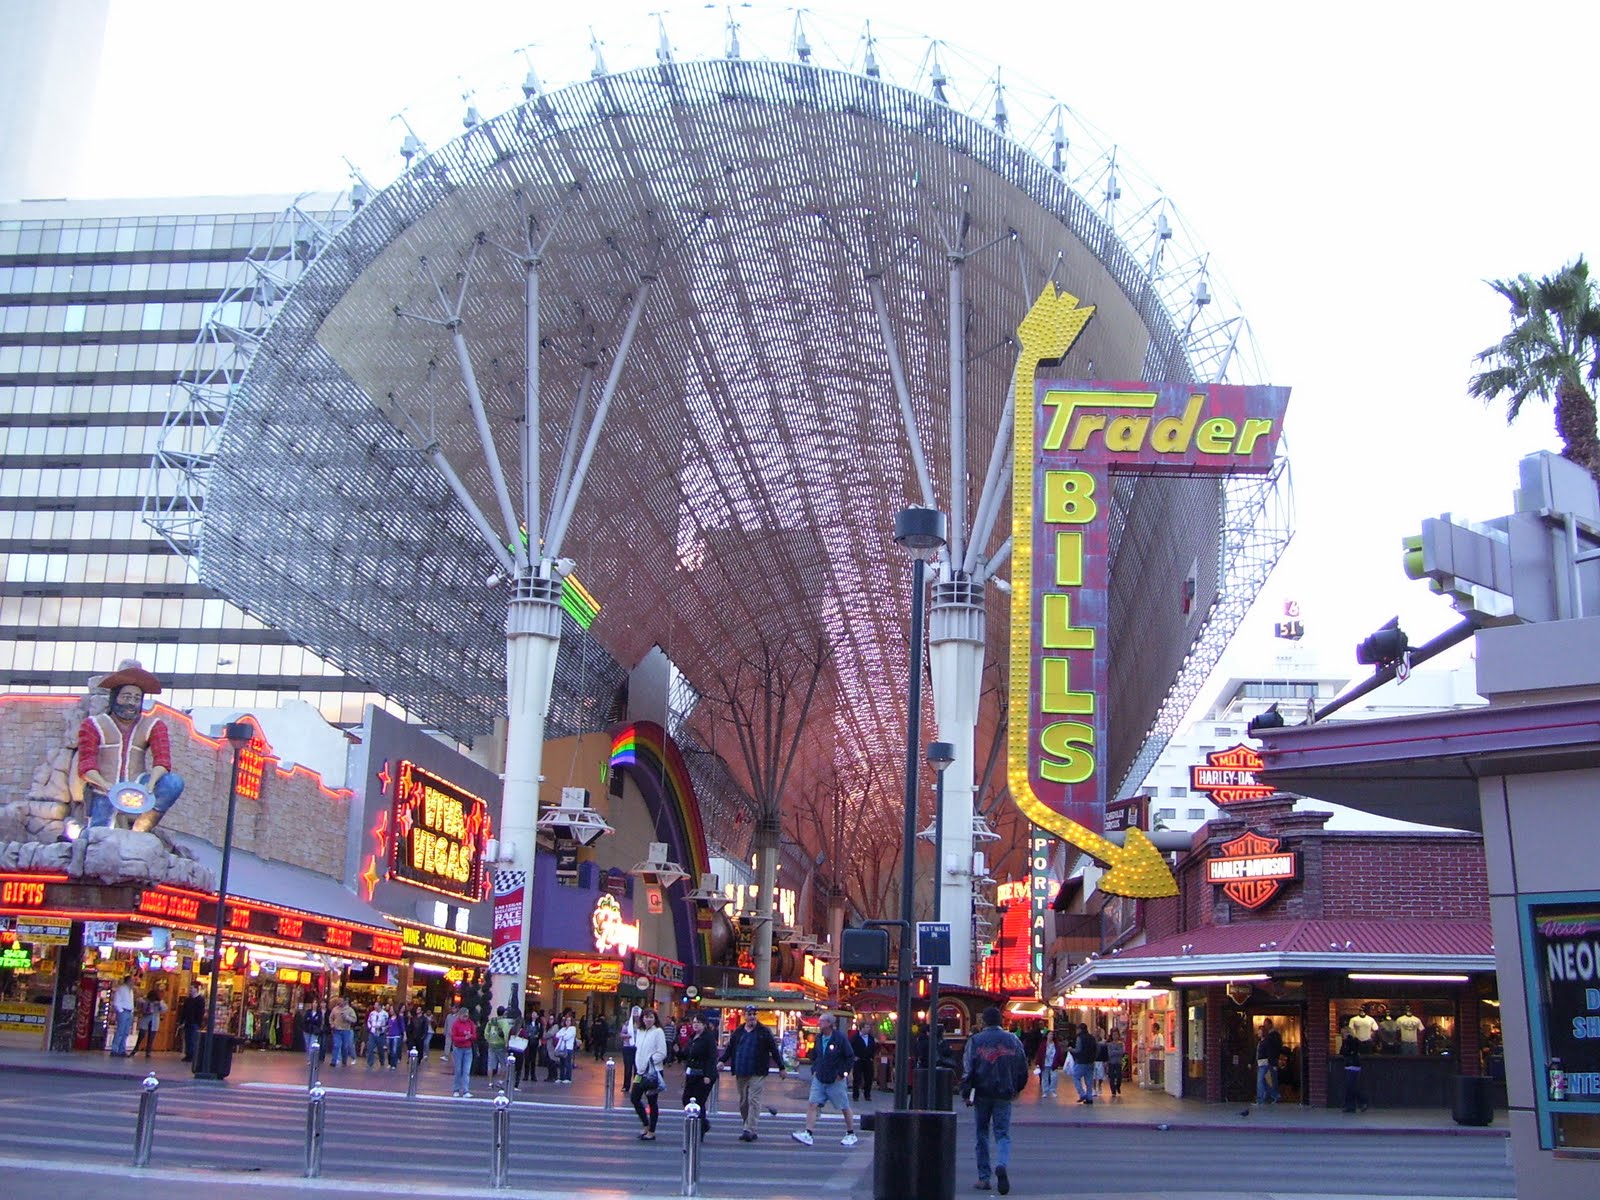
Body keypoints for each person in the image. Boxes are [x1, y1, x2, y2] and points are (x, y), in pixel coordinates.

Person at [74, 663, 185, 831]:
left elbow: (162, 761)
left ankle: (141, 828)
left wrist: (150, 786)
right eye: (126, 697)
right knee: (98, 835)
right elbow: (85, 766)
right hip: (104, 790)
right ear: (115, 698)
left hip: (138, 787)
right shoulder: (93, 724)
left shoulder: (154, 725)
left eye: (136, 698)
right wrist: (106, 785)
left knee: (174, 782)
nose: (131, 703)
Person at [963, 1006, 1029, 1195]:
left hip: (982, 1092)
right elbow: (1022, 1067)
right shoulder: (1013, 1040)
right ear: (1001, 1021)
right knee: (1002, 1133)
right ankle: (1001, 1163)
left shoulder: (976, 1040)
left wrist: (967, 1093)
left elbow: (968, 1069)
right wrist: (1017, 1088)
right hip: (1004, 1092)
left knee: (981, 1134)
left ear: (984, 1021)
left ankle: (984, 1177)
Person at [720, 1004, 787, 1142]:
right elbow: (730, 1048)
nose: (752, 1017)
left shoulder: (764, 1031)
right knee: (743, 1102)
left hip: (758, 1071)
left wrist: (781, 1067)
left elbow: (773, 1050)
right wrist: (722, 1061)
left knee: (753, 1099)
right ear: (744, 1016)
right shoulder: (739, 1031)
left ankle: (749, 1129)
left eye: (754, 1014)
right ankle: (748, 1125)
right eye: (749, 1014)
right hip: (741, 1070)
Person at [791, 1013, 857, 1147]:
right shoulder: (819, 1038)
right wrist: (814, 1069)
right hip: (820, 1077)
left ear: (829, 1023)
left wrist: (842, 1073)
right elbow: (815, 1055)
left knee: (844, 1106)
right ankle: (808, 1133)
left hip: (835, 1079)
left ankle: (851, 1133)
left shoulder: (840, 1038)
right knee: (812, 1103)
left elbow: (850, 1056)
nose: (819, 1023)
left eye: (821, 1021)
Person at [629, 1008, 668, 1140]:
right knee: (634, 1098)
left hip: (653, 1072)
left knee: (652, 1101)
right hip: (640, 1071)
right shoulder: (640, 1031)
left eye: (651, 1017)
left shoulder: (658, 1032)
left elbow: (662, 1052)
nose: (648, 1019)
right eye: (646, 1017)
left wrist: (649, 1062)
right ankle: (646, 1124)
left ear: (655, 1019)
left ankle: (651, 1131)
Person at [680, 1011, 717, 1139]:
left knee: (699, 1102)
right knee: (686, 1099)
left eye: (698, 1023)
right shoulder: (693, 1037)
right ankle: (703, 1124)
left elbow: (711, 1057)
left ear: (704, 1024)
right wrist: (679, 1052)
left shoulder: (708, 1038)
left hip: (703, 1074)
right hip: (691, 1073)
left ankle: (700, 1130)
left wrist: (708, 1075)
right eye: (694, 1022)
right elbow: (687, 1054)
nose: (695, 1025)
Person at [449, 1003, 478, 1098]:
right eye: (464, 1016)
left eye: (467, 1016)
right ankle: (456, 1089)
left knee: (466, 1071)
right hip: (458, 1049)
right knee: (458, 1070)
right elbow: (454, 1037)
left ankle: (465, 1090)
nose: (466, 1018)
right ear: (460, 1015)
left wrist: (470, 1036)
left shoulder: (470, 1023)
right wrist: (464, 1038)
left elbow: (475, 1036)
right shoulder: (456, 1024)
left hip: (468, 1049)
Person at [1339, 1025, 1369, 1113]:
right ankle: (1354, 1105)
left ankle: (1359, 1102)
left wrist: (1346, 1046)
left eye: (1343, 1033)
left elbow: (1344, 1051)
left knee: (1350, 1086)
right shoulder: (1354, 1040)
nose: (1342, 1035)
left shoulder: (1350, 1041)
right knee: (1351, 1086)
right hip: (1353, 1065)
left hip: (1352, 1065)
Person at [1255, 1018, 1283, 1105]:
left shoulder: (1268, 1040)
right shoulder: (1260, 1042)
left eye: (1260, 1032)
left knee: (1261, 1081)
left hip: (1265, 1063)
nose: (1258, 1033)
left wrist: (1274, 1063)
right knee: (1266, 1082)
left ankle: (1260, 1100)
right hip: (1263, 1063)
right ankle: (1275, 1096)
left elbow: (1271, 1052)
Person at [134, 984, 167, 1058]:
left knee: (151, 1036)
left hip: (154, 1019)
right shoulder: (145, 1000)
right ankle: (136, 1048)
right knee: (141, 1034)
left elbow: (164, 1009)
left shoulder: (159, 1002)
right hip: (146, 1019)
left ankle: (148, 1051)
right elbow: (139, 1001)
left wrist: (160, 1003)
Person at [848, 1020, 877, 1102]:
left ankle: (867, 1095)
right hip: (859, 1060)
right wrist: (854, 1057)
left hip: (868, 1060)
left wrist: (872, 1057)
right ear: (862, 1028)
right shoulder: (855, 1037)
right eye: (867, 1027)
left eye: (869, 1027)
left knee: (869, 1078)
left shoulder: (871, 1038)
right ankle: (855, 1095)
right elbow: (850, 1047)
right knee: (857, 1078)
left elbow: (874, 1048)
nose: (868, 1029)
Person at [1069, 1022, 1097, 1104]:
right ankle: (1089, 1098)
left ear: (1080, 1029)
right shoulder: (1092, 1038)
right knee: (1089, 1081)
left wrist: (1071, 1049)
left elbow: (1078, 1050)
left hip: (1081, 1061)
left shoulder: (1080, 1038)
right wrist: (1094, 1057)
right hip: (1090, 1062)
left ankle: (1082, 1094)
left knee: (1075, 1077)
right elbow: (1096, 1048)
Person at [178, 983, 205, 1063]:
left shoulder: (200, 1000)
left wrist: (199, 1022)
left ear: (196, 989)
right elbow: (184, 1011)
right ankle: (188, 1054)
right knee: (187, 1039)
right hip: (187, 1022)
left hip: (195, 1023)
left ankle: (192, 1055)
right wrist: (182, 1021)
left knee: (193, 1039)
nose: (190, 990)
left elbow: (201, 1012)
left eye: (192, 988)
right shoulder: (188, 1000)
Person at [110, 976, 136, 1056]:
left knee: (126, 1032)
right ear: (128, 981)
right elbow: (116, 1001)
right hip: (123, 1011)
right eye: (132, 981)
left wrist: (132, 1011)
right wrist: (120, 1010)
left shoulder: (131, 990)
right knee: (120, 1031)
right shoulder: (121, 989)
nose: (133, 982)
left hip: (129, 1011)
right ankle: (114, 1049)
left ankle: (122, 1050)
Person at [329, 994, 357, 1067]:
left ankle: (344, 1061)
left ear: (345, 1001)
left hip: (346, 1030)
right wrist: (332, 1024)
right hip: (337, 1030)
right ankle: (333, 1061)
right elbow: (331, 1017)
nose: (339, 1002)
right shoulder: (335, 1009)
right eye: (339, 1000)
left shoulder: (350, 1010)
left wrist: (347, 1017)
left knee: (345, 1046)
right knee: (336, 1045)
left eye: (341, 1000)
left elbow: (354, 1019)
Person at [485, 1005, 514, 1079]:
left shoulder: (491, 1021)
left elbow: (486, 1032)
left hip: (491, 1045)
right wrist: (507, 1043)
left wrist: (488, 1040)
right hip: (501, 1045)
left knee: (490, 1065)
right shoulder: (504, 1022)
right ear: (504, 1013)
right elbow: (506, 1034)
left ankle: (490, 1082)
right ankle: (500, 1081)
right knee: (503, 1064)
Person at [620, 1004, 642, 1091]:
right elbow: (621, 1034)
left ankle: (637, 1086)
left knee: (638, 1069)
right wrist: (627, 1036)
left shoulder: (642, 1025)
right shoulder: (627, 1023)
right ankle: (626, 1086)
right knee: (628, 1068)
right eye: (634, 1015)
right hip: (628, 1047)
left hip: (638, 1048)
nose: (636, 1017)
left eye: (637, 1015)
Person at [1035, 1029, 1062, 1098]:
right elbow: (1039, 1054)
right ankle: (1045, 1091)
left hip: (1053, 1063)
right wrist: (1038, 1063)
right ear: (1046, 1036)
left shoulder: (1056, 1044)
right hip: (1044, 1063)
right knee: (1044, 1078)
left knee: (1054, 1077)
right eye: (1049, 1035)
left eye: (1052, 1035)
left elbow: (1059, 1053)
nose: (1051, 1036)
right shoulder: (1043, 1044)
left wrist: (1059, 1062)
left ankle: (1052, 1091)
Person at [555, 1011, 578, 1083]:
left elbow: (566, 1037)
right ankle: (561, 1077)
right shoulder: (563, 1028)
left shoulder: (573, 1029)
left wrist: (562, 1035)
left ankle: (568, 1078)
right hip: (562, 1048)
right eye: (566, 1020)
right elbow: (557, 1035)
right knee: (561, 1063)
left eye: (569, 1020)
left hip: (568, 1048)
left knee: (567, 1063)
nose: (567, 1022)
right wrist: (563, 1035)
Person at [366, 1002, 390, 1068]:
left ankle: (382, 1061)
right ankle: (370, 1063)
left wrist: (382, 1028)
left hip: (381, 1034)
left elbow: (387, 1024)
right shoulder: (372, 1013)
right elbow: (368, 1021)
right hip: (372, 1033)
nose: (374, 1006)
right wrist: (370, 1028)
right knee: (370, 1048)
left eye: (376, 1005)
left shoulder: (385, 1014)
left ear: (380, 1006)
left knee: (381, 1049)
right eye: (374, 1005)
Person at [1105, 1026, 1125, 1099]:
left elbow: (1122, 1052)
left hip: (1118, 1062)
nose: (1115, 1036)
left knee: (1119, 1077)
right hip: (1111, 1062)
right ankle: (1113, 1091)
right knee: (1112, 1077)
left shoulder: (1121, 1044)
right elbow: (1110, 1053)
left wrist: (1114, 1052)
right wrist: (1117, 1052)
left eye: (1116, 1034)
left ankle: (1118, 1086)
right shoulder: (1109, 1044)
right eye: (1113, 1035)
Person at [386, 1004, 405, 1069]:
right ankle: (389, 1063)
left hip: (396, 1036)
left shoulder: (399, 1018)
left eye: (391, 1009)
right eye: (390, 1009)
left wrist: (404, 1034)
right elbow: (387, 1026)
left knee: (394, 1050)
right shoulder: (389, 1018)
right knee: (389, 1050)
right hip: (389, 1036)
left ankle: (393, 1064)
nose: (390, 1010)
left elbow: (402, 1026)